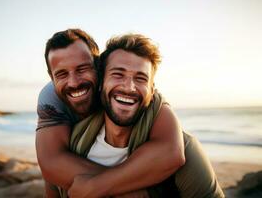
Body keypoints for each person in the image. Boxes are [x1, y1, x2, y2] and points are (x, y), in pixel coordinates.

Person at [66, 34, 225, 198]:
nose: (129, 87)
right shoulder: (75, 144)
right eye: (118, 74)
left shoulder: (184, 148)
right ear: (100, 83)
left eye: (140, 78)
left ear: (152, 90)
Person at [35, 29, 185, 197]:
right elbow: (51, 162)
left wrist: (99, 186)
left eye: (82, 69)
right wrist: (131, 191)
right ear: (51, 76)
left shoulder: (128, 89)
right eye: (61, 74)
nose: (74, 82)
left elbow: (171, 152)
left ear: (98, 67)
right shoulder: (51, 97)